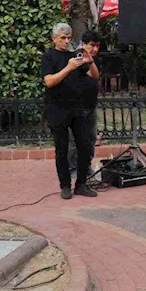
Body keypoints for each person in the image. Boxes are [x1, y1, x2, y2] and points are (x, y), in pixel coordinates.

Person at [41, 23, 100, 199]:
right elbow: (49, 82)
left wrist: (91, 61)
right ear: (54, 39)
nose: (66, 41)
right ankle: (65, 185)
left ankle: (81, 183)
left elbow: (94, 76)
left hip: (77, 108)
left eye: (68, 38)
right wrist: (68, 67)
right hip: (57, 109)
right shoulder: (48, 57)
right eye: (63, 38)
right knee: (62, 149)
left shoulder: (76, 56)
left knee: (84, 145)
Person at [68, 30, 102, 181]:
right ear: (83, 44)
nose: (95, 49)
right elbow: (92, 74)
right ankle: (73, 169)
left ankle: (86, 166)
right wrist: (89, 60)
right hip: (77, 106)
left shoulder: (92, 59)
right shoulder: (78, 57)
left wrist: (92, 60)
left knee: (90, 139)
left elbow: (96, 76)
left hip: (91, 105)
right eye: (92, 45)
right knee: (75, 141)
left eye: (97, 46)